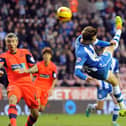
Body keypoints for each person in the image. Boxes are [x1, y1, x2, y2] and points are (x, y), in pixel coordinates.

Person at [74, 16, 126, 116]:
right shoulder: (82, 53)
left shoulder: (81, 38)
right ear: (89, 40)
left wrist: (107, 43)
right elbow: (77, 72)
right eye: (94, 38)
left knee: (114, 82)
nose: (95, 39)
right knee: (112, 47)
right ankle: (119, 29)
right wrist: (86, 78)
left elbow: (97, 42)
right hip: (100, 68)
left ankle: (122, 107)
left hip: (93, 69)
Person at [0, 33, 39, 126]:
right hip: (14, 84)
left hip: (28, 85)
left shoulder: (25, 53)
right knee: (12, 99)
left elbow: (35, 68)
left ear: (17, 42)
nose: (11, 44)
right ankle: (13, 124)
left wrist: (26, 70)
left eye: (13, 41)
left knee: (35, 114)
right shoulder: (4, 56)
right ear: (6, 44)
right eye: (8, 42)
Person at [85, 45, 120, 126]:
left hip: (111, 84)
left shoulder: (115, 61)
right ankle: (91, 107)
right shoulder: (98, 59)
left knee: (117, 102)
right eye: (105, 49)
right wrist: (96, 81)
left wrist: (119, 84)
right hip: (102, 86)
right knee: (100, 107)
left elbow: (116, 74)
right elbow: (94, 71)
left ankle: (114, 122)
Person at [20, 47, 57, 111]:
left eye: (48, 54)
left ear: (50, 56)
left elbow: (54, 78)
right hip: (37, 86)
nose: (46, 56)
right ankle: (32, 114)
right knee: (37, 104)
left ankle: (33, 112)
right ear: (43, 56)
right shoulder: (39, 65)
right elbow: (32, 72)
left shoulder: (53, 67)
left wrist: (51, 89)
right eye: (45, 54)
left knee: (41, 109)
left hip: (46, 88)